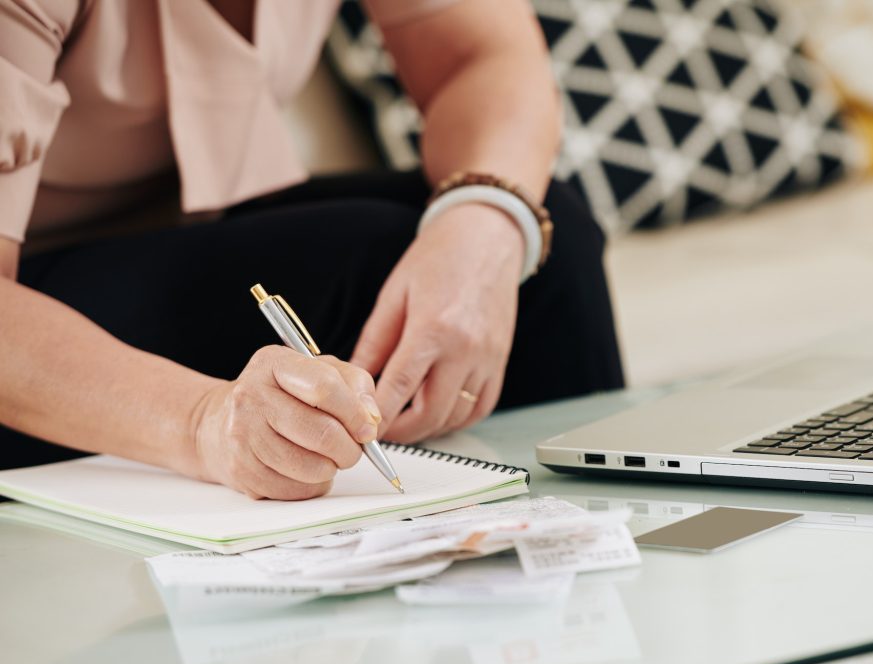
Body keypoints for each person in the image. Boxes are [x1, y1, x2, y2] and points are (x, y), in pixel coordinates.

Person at [0, 0, 623, 500]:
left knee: (540, 241)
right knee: (363, 258)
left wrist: (482, 226)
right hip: (27, 317)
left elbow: (480, 53)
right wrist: (202, 421)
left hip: (177, 228)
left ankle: (581, 551)